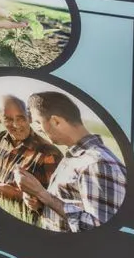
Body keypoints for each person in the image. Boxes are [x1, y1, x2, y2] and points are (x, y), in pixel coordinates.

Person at [14, 92, 127, 232]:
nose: (37, 129)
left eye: (38, 122)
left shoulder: (97, 163)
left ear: (56, 121)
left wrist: (42, 194)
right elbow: (72, 208)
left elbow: (101, 231)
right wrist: (41, 203)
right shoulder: (75, 156)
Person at [0, 95, 62, 213]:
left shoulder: (49, 154)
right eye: (8, 119)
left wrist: (19, 195)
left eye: (21, 118)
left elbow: (58, 203)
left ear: (29, 117)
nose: (16, 125)